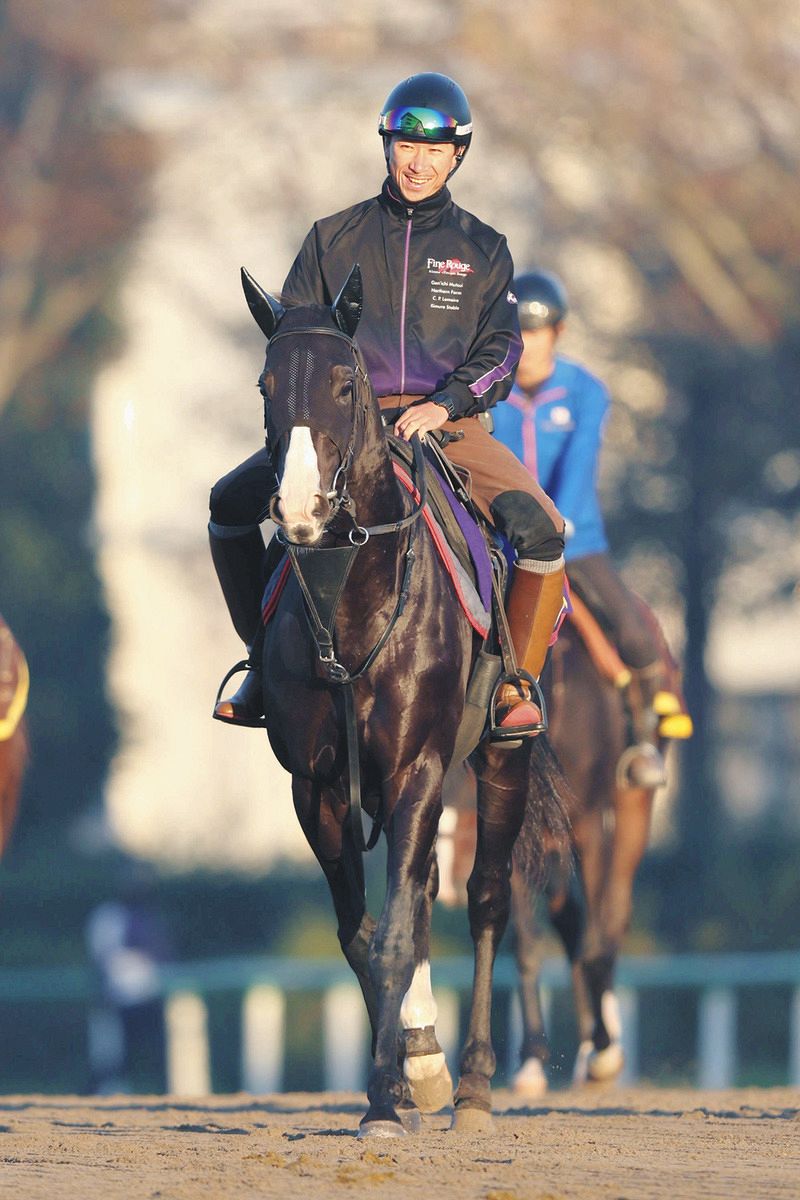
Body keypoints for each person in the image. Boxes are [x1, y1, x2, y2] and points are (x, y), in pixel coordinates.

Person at [210, 73, 566, 740]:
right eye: (407, 145)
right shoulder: (330, 237)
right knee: (228, 505)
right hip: (341, 430)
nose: (418, 162)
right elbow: (294, 340)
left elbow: (503, 350)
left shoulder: (484, 249)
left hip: (448, 428)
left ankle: (515, 681)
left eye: (435, 152)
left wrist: (446, 403)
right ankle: (260, 659)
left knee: (542, 530)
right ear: (387, 144)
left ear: (456, 156)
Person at [492, 270, 692, 786]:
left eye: (538, 331)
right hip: (500, 542)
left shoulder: (585, 391)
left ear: (558, 332)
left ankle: (646, 740)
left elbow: (579, 470)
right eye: (519, 331)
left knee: (632, 629)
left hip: (575, 541)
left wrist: (553, 529)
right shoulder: (488, 390)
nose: (528, 343)